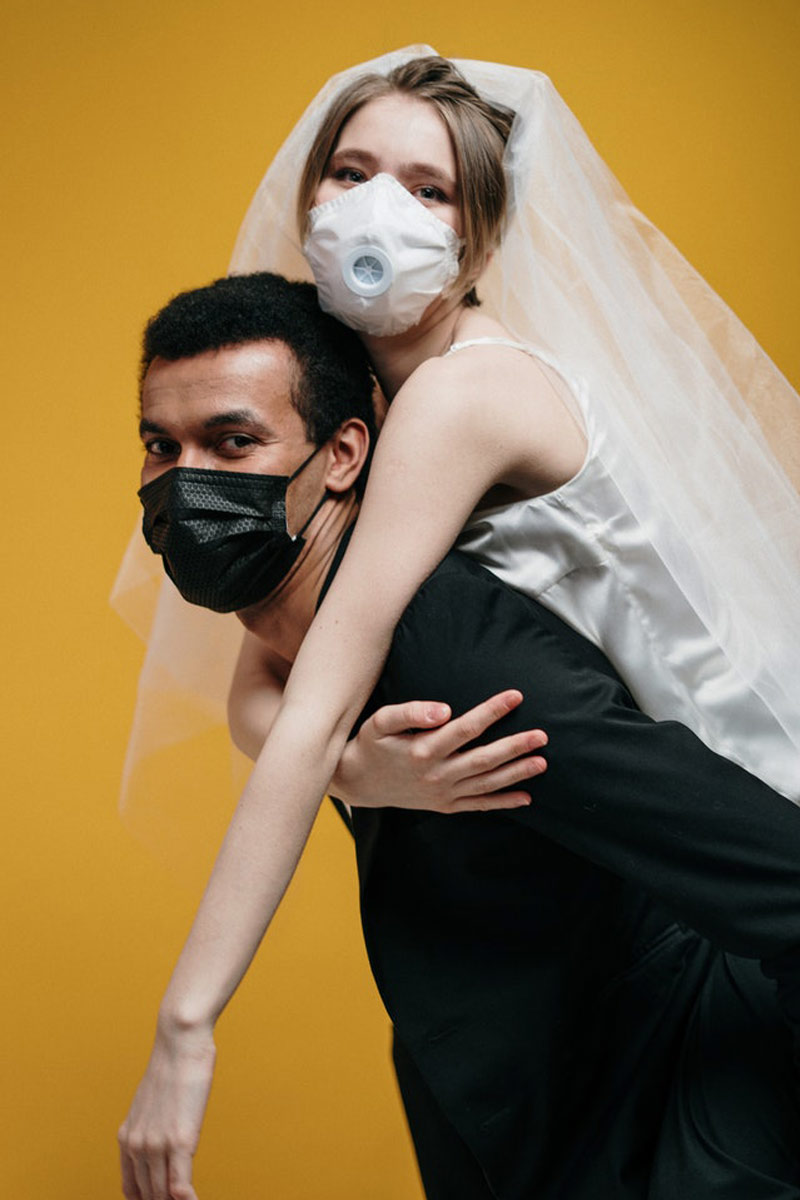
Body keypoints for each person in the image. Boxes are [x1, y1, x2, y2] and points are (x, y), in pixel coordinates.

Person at [114, 47, 800, 1196]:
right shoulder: (364, 402)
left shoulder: (456, 398)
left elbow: (314, 686)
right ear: (307, 197)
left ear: (480, 239)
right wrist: (358, 774)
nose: (378, 205)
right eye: (350, 169)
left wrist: (187, 1023)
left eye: (428, 189)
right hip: (632, 858)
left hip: (740, 824)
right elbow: (261, 681)